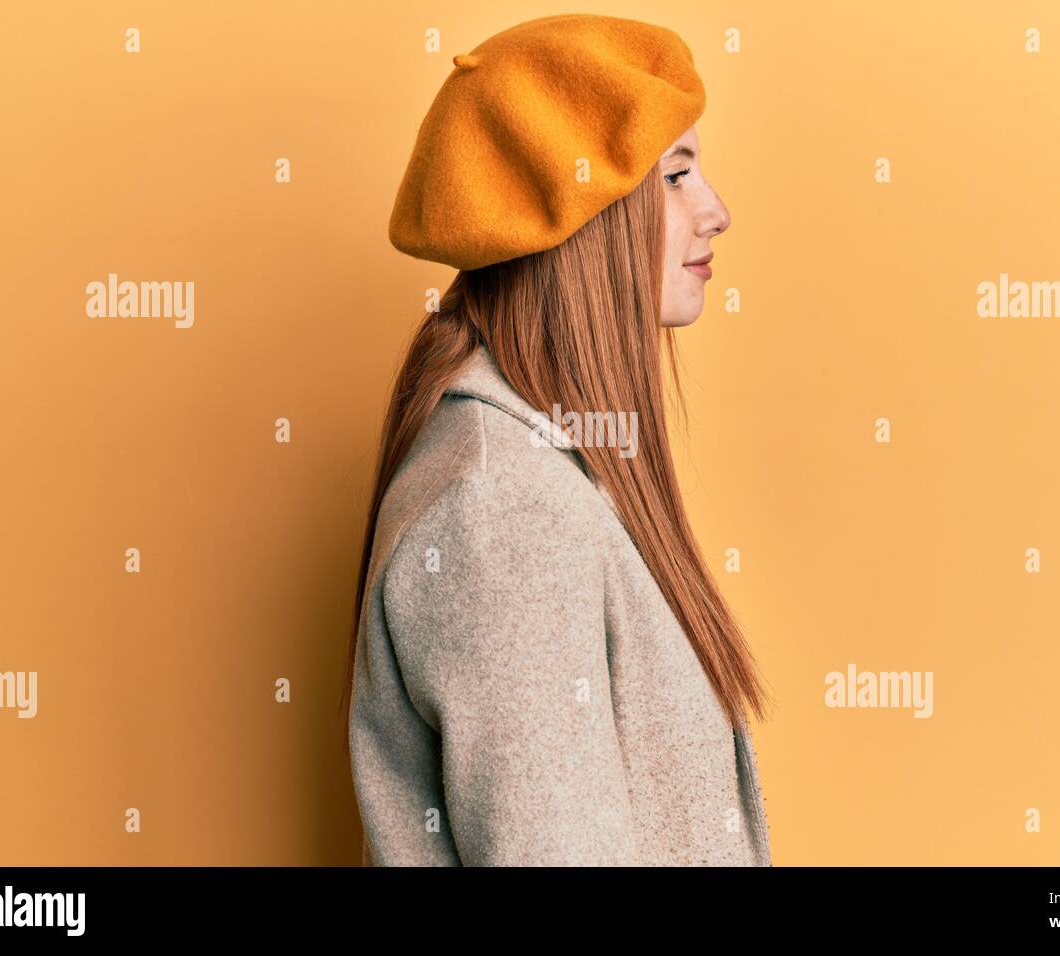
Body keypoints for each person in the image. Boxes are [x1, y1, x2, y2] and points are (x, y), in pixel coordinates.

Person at [343, 12, 774, 866]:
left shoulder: (543, 470)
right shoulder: (506, 510)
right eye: (677, 176)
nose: (716, 211)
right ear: (588, 222)